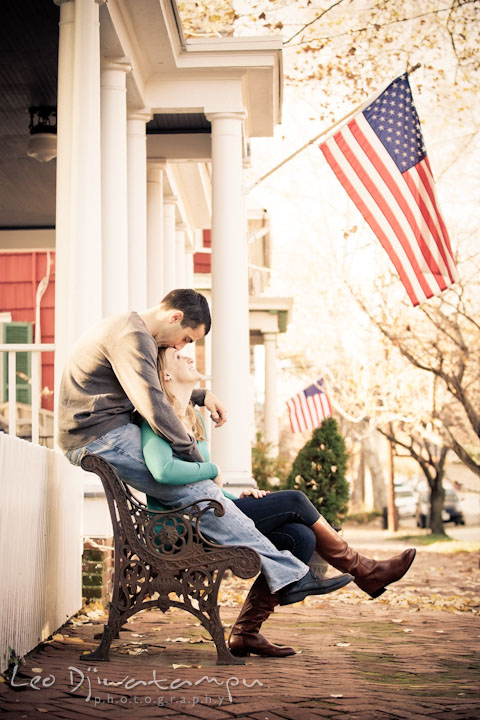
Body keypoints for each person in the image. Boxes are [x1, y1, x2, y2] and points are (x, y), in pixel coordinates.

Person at [142, 348, 416, 656]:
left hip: (213, 509)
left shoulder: (190, 416)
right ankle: (364, 569)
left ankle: (246, 632)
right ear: (165, 375)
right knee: (296, 501)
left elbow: (202, 485)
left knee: (301, 536)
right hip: (186, 526)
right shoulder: (154, 418)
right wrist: (215, 469)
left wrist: (234, 495)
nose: (191, 357)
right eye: (181, 357)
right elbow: (162, 471)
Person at [58, 289, 227, 496]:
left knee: (198, 485)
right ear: (175, 317)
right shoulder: (133, 337)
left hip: (102, 429)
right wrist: (199, 463)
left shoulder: (131, 328)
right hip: (96, 435)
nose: (180, 347)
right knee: (197, 489)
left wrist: (201, 396)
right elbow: (155, 406)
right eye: (186, 339)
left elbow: (151, 389)